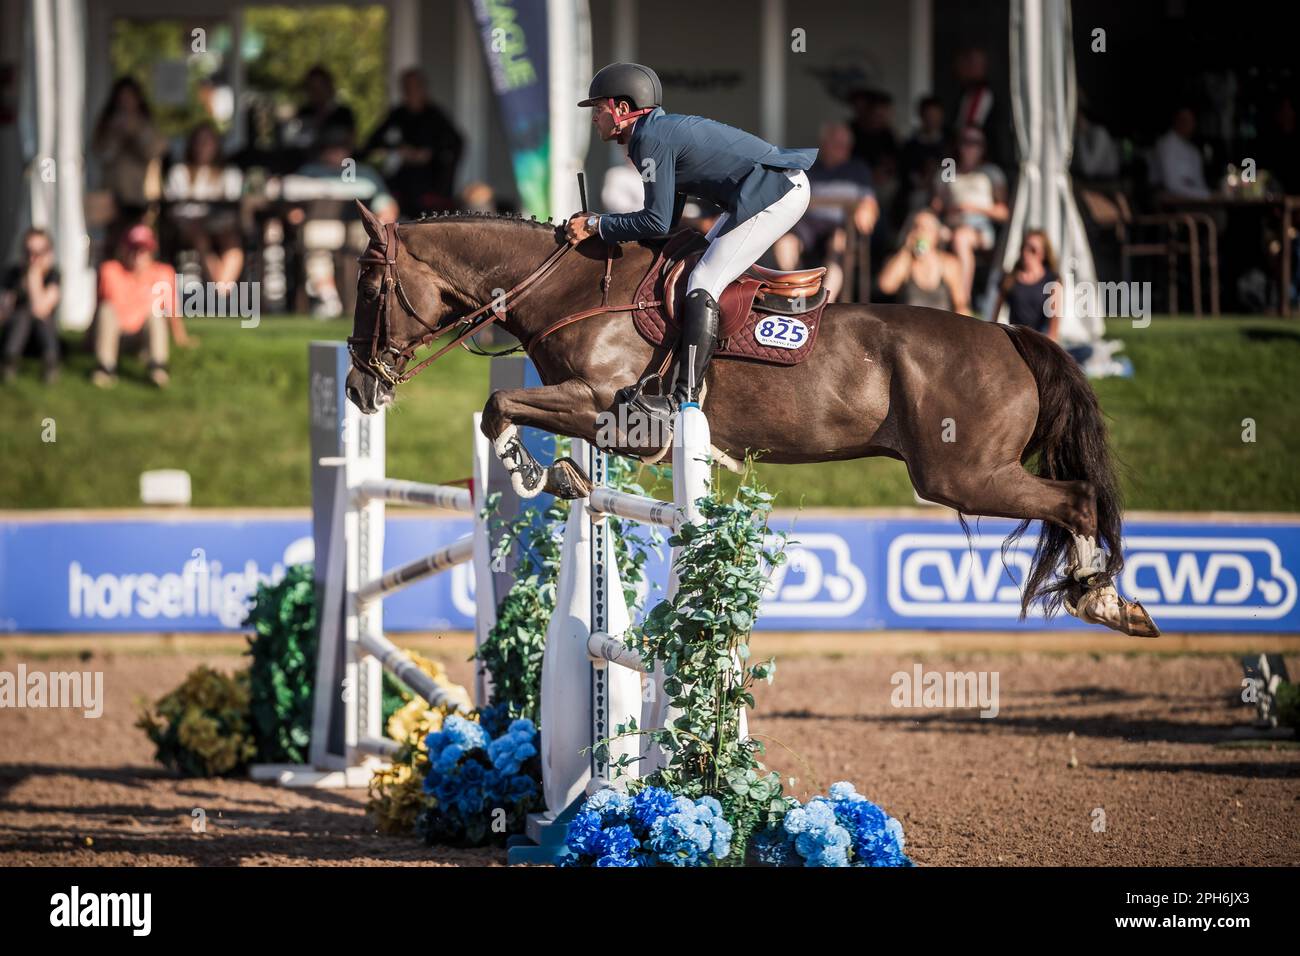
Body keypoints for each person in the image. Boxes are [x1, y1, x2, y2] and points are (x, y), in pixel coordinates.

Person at [566, 62, 816, 429]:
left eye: (598, 109)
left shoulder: (649, 140)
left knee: (703, 282)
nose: (595, 119)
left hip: (777, 193)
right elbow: (666, 222)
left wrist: (596, 224)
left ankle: (685, 400)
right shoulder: (654, 133)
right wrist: (605, 227)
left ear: (621, 110)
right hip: (761, 192)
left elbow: (654, 220)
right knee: (696, 263)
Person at [772, 121, 878, 302]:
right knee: (785, 243)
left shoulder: (858, 170)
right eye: (837, 144)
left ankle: (824, 302)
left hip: (841, 225)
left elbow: (869, 204)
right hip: (808, 225)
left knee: (839, 242)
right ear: (824, 144)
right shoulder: (808, 168)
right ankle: (799, 293)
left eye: (845, 145)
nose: (842, 149)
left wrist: (867, 211)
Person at [91, 223, 191, 388]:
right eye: (133, 249)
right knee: (107, 309)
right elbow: (98, 309)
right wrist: (89, 339)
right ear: (123, 249)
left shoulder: (164, 273)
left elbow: (173, 310)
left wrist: (181, 337)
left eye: (143, 249)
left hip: (144, 338)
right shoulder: (110, 271)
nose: (138, 255)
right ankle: (105, 368)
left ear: (151, 251)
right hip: (117, 334)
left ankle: (158, 368)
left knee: (155, 314)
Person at [364, 68, 463, 214]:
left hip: (431, 180)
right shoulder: (398, 114)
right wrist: (399, 150)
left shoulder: (435, 116)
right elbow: (372, 142)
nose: (411, 92)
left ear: (423, 89)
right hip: (402, 178)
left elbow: (455, 143)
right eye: (407, 88)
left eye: (415, 87)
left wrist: (429, 154)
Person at [931, 126, 1009, 304]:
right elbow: (937, 205)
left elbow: (1003, 212)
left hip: (979, 228)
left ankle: (962, 301)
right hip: (950, 223)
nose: (969, 147)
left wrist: (973, 208)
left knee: (961, 238)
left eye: (975, 143)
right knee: (927, 234)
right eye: (965, 142)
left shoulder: (990, 172)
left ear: (983, 147)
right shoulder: (949, 168)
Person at [164, 123, 244, 291]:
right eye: (200, 142)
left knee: (233, 244)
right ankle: (222, 293)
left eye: (208, 142)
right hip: (189, 228)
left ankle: (221, 291)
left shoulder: (228, 173)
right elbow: (173, 208)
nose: (204, 147)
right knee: (200, 238)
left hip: (220, 226)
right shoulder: (179, 172)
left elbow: (233, 204)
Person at [92, 77, 167, 237]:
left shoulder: (147, 125)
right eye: (121, 99)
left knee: (142, 236)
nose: (125, 103)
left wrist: (137, 132)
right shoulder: (108, 125)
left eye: (129, 98)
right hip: (115, 195)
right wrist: (116, 135)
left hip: (144, 195)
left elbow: (156, 151)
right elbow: (103, 154)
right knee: (116, 238)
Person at [1, 228, 62, 384]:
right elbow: (3, 311)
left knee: (36, 314)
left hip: (41, 336)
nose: (32, 257)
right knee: (23, 314)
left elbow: (40, 308)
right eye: (28, 251)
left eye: (38, 252)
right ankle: (10, 360)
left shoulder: (53, 275)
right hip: (15, 334)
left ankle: (50, 362)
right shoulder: (12, 274)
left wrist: (33, 275)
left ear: (48, 253)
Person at [876, 210, 966, 313]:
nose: (920, 231)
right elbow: (886, 286)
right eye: (916, 226)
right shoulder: (904, 261)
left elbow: (961, 304)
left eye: (926, 228)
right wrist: (906, 249)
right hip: (909, 326)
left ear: (936, 235)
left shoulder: (949, 264)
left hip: (941, 327)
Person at [994, 229, 1064, 340]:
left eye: (1033, 250)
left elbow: (1053, 330)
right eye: (1024, 248)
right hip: (1014, 339)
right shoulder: (1009, 279)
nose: (1026, 253)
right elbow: (995, 317)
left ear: (1043, 254)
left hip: (1040, 341)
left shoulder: (1052, 281)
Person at [283, 66, 356, 169]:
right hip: (305, 169)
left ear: (329, 87)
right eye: (312, 88)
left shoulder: (343, 114)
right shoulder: (304, 113)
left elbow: (349, 145)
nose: (317, 93)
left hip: (337, 169)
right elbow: (294, 142)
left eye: (320, 87)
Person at [1152, 106, 1211, 200]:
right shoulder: (1166, 145)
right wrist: (1205, 195)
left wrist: (1206, 195)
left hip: (1195, 201)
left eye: (1190, 121)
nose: (1187, 125)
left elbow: (1200, 184)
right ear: (1176, 121)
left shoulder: (1193, 151)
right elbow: (1171, 186)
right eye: (1183, 120)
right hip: (1171, 205)